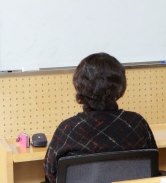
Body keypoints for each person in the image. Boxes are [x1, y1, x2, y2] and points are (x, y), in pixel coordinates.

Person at [43, 53, 157, 183]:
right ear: (120, 86)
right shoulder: (137, 123)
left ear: (79, 85)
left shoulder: (68, 129)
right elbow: (149, 168)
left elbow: (50, 173)